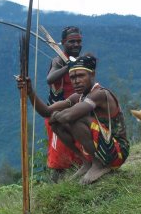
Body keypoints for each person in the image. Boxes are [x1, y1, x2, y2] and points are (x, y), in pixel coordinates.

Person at [19, 54, 130, 184]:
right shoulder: (78, 96)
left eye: (81, 76)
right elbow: (46, 111)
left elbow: (69, 116)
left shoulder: (100, 94)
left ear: (92, 74)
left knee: (76, 118)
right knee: (56, 125)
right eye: (72, 77)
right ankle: (87, 161)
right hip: (104, 148)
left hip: (117, 152)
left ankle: (99, 164)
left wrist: (57, 115)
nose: (76, 81)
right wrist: (30, 91)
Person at [43, 26, 84, 182]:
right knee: (59, 156)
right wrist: (68, 67)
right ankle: (55, 189)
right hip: (57, 116)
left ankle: (77, 183)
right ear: (63, 43)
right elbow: (50, 79)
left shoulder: (79, 60)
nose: (76, 45)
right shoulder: (58, 60)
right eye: (71, 41)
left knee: (80, 151)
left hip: (77, 113)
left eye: (79, 41)